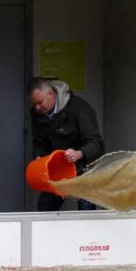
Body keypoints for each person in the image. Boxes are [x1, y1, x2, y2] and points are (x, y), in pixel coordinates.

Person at [28, 77, 105, 211]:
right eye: (34, 104)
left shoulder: (80, 108)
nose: (37, 107)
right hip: (56, 169)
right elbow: (38, 142)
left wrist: (79, 153)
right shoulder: (37, 113)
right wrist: (39, 157)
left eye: (40, 102)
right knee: (44, 210)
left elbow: (96, 143)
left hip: (83, 166)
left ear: (51, 94)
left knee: (86, 209)